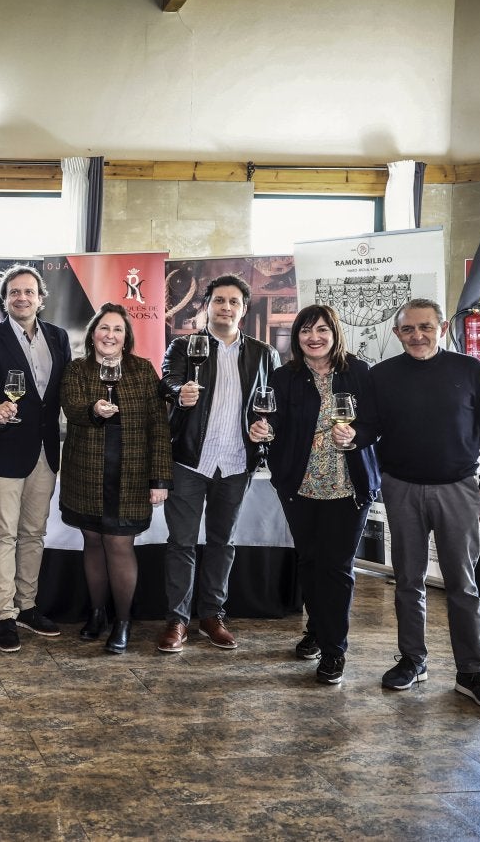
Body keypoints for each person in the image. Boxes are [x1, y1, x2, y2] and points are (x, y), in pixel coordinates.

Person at [353, 298, 480, 711]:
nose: (417, 335)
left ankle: (471, 672)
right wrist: (349, 437)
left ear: (441, 328)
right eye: (408, 329)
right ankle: (412, 660)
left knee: (462, 584)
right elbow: (368, 427)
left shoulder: (470, 371)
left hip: (458, 487)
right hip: (401, 488)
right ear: (396, 333)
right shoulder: (381, 376)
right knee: (407, 581)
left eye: (425, 327)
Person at [248, 304, 379, 685]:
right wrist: (262, 432)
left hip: (347, 484)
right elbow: (271, 421)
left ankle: (335, 649)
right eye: (306, 330)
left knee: (336, 567)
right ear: (297, 337)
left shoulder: (358, 371)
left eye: (322, 329)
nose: (314, 337)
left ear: (335, 333)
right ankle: (317, 629)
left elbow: (375, 423)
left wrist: (356, 437)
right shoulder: (284, 376)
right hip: (299, 484)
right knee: (309, 561)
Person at [157, 274, 278, 653]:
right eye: (219, 300)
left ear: (244, 309)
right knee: (181, 543)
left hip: (237, 462)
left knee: (222, 543)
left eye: (234, 302)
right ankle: (178, 620)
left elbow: (275, 404)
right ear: (206, 305)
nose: (226, 307)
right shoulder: (183, 346)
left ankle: (212, 615)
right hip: (191, 460)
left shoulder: (263, 353)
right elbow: (167, 382)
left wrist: (267, 428)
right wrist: (180, 393)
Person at [0, 264, 71, 652]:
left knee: (34, 533)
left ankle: (27, 606)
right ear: (5, 299)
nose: (21, 298)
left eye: (29, 292)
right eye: (14, 292)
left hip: (46, 451)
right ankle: (4, 614)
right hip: (4, 450)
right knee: (3, 534)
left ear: (41, 299)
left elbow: (62, 391)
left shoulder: (59, 338)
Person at [59, 303, 171, 654]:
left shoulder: (142, 370)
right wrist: (93, 409)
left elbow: (158, 426)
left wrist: (160, 478)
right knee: (93, 542)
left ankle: (122, 621)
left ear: (126, 337)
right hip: (87, 473)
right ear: (93, 334)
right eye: (104, 328)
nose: (110, 335)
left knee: (120, 545)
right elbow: (71, 407)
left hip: (132, 476)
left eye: (117, 330)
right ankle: (97, 614)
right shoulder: (77, 369)